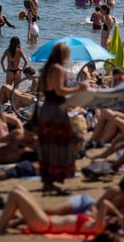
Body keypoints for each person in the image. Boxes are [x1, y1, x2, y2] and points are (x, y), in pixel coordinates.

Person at [36, 43, 88, 195]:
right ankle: (54, 181)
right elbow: (60, 91)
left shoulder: (46, 69)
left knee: (48, 145)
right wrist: (79, 89)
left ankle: (48, 182)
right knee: (59, 144)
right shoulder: (58, 69)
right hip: (56, 110)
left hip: (46, 108)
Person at [0, 185, 112, 235]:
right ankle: (4, 224)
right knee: (18, 188)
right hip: (45, 221)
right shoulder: (92, 221)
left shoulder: (97, 228)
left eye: (109, 220)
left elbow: (105, 204)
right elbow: (99, 209)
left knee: (15, 194)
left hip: (45, 225)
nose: (107, 218)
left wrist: (119, 216)